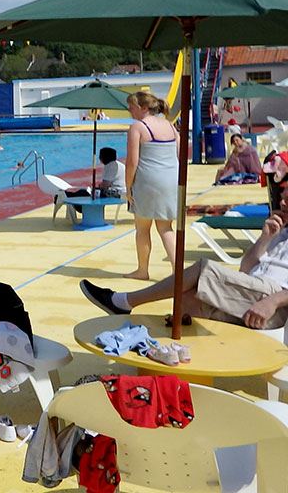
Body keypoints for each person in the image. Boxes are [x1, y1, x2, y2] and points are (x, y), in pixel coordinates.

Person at [80, 187, 288, 330]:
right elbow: (245, 269)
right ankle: (185, 375)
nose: (282, 201)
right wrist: (265, 237)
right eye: (283, 195)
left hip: (273, 302)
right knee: (188, 297)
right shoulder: (280, 232)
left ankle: (124, 302)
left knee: (203, 269)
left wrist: (273, 302)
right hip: (254, 293)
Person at [124, 91, 179, 280]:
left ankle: (142, 270)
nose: (130, 111)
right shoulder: (170, 126)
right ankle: (177, 271)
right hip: (170, 180)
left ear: (144, 108)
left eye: (132, 107)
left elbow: (132, 162)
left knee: (142, 228)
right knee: (166, 229)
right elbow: (178, 155)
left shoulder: (137, 128)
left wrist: (128, 187)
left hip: (148, 182)